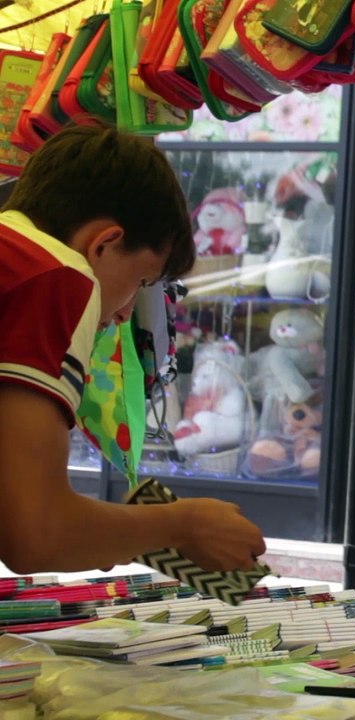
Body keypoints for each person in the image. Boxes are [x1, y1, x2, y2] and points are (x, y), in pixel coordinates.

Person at [0, 125, 267, 574]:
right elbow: (35, 535)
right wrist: (185, 524)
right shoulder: (56, 275)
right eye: (142, 283)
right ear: (103, 243)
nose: (125, 315)